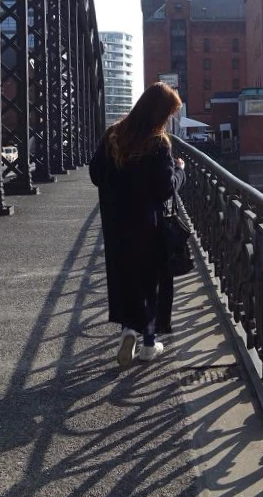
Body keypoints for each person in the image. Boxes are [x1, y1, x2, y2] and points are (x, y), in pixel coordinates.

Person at [89, 82, 185, 366]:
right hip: (148, 226)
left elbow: (95, 174)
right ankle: (148, 345)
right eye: (168, 114)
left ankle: (128, 330)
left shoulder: (114, 134)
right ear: (159, 113)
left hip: (116, 224)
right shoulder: (158, 144)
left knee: (126, 278)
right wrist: (180, 171)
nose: (168, 120)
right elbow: (164, 189)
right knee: (150, 283)